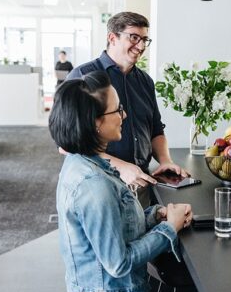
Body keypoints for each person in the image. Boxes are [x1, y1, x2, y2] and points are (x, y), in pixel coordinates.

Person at [50, 71, 192, 292]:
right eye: (117, 110)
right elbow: (118, 262)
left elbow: (116, 228)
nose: (124, 115)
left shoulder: (81, 163)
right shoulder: (94, 185)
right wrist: (170, 228)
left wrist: (155, 215)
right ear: (95, 122)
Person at [66, 12, 188, 205]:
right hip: (100, 185)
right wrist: (121, 166)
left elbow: (155, 129)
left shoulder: (145, 81)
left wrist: (165, 161)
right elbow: (67, 144)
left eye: (144, 40)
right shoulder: (82, 76)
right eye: (134, 37)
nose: (140, 46)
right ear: (112, 37)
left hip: (142, 184)